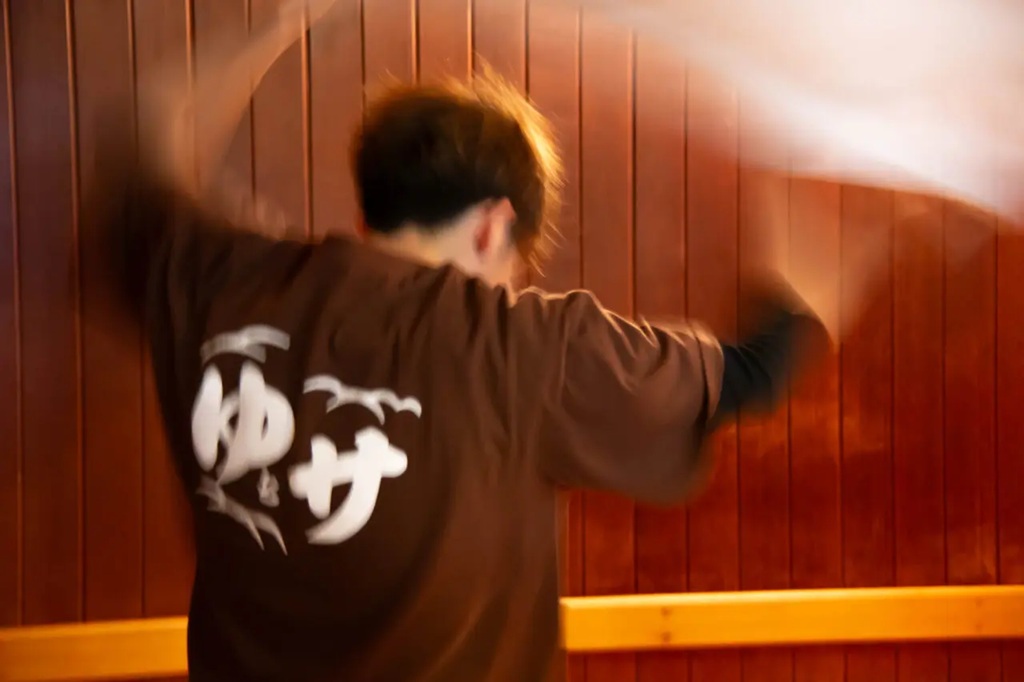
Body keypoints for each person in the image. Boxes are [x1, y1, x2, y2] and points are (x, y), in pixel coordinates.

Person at [89, 1, 833, 680]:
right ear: (491, 227)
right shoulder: (524, 347)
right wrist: (808, 290)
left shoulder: (216, 278)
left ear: (370, 213)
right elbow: (749, 377)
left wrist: (274, 23)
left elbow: (142, 150)